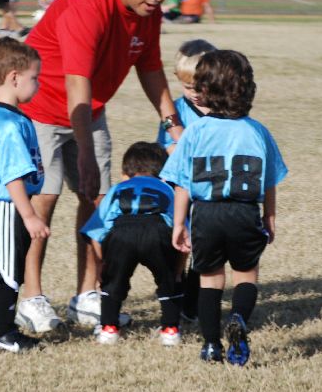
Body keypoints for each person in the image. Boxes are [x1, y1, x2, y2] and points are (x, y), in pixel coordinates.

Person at [15, 0, 187, 333]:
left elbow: (150, 67)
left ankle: (88, 294)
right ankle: (31, 298)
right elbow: (77, 82)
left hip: (89, 109)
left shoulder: (148, 11)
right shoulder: (88, 4)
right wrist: (86, 154)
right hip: (41, 108)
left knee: (98, 200)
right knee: (44, 198)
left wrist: (173, 125)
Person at [160, 50, 288, 366]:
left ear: (204, 90)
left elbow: (182, 183)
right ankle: (239, 317)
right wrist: (269, 216)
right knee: (246, 275)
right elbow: (269, 180)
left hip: (206, 214)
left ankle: (211, 345)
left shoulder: (195, 131)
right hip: (245, 212)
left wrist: (179, 224)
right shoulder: (257, 131)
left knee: (210, 280)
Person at [0, 37, 50, 353]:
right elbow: (12, 175)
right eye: (35, 77)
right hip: (6, 206)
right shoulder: (8, 124)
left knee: (5, 267)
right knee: (6, 270)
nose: (38, 84)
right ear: (14, 78)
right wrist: (29, 215)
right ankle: (3, 333)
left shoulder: (8, 116)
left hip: (2, 205)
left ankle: (1, 328)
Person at [80, 142, 182, 346]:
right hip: (157, 231)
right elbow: (182, 233)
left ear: (126, 172)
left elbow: (96, 232)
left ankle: (109, 329)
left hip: (122, 232)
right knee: (168, 281)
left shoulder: (117, 188)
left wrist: (102, 266)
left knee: (113, 282)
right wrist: (177, 271)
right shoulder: (168, 189)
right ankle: (170, 330)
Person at [156, 39, 217, 325]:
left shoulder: (224, 109)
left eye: (200, 86)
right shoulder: (175, 112)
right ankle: (174, 293)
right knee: (180, 246)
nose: (194, 93)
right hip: (181, 191)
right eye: (187, 86)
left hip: (211, 192)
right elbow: (168, 148)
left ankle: (193, 304)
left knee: (205, 249)